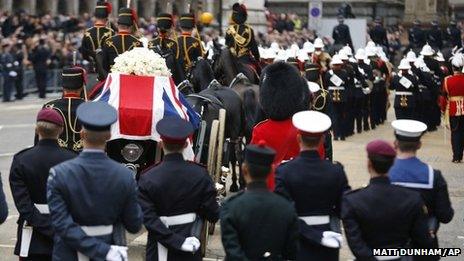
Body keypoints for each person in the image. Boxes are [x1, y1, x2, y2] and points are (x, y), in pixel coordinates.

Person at [47, 101, 143, 260]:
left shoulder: (59, 173)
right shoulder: (124, 175)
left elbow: (61, 224)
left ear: (81, 134)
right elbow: (134, 224)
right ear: (109, 136)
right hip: (109, 250)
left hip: (69, 253)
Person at [137, 117, 219, 261]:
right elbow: (212, 214)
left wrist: (173, 240)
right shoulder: (200, 174)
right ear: (186, 144)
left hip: (158, 249)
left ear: (161, 144)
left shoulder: (148, 177)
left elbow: (148, 219)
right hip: (189, 247)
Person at [275, 110, 350, 261]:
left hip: (295, 239)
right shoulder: (336, 171)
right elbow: (346, 208)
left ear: (298, 138)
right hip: (327, 236)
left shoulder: (284, 171)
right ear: (322, 140)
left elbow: (282, 212)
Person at [342, 139, 433, 260]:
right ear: (392, 165)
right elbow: (422, 240)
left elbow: (356, 244)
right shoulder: (411, 198)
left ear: (369, 164)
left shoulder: (353, 200)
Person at [10, 108, 77, 260]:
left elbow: (24, 205)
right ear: (60, 130)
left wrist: (46, 226)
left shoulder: (22, 160)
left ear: (36, 129)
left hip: (33, 236)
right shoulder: (73, 159)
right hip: (65, 231)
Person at [220, 141, 299, 260]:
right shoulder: (286, 207)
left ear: (244, 169)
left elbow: (233, 251)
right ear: (272, 170)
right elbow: (291, 252)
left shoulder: (231, 206)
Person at [389, 119, 454, 256]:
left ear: (395, 144)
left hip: (391, 245)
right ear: (419, 145)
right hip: (424, 246)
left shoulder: (385, 175)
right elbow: (445, 215)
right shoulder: (433, 176)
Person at [251, 62, 319, 190]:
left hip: (272, 192)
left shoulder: (260, 130)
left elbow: (254, 167)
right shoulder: (306, 128)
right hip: (303, 188)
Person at [37, 67, 86, 153]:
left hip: (55, 157)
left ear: (63, 87)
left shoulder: (49, 107)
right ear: (82, 86)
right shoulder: (91, 107)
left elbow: (39, 139)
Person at [101, 7, 141, 74]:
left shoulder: (108, 42)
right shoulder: (138, 43)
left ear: (118, 25)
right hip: (130, 78)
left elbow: (104, 65)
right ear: (131, 26)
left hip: (114, 77)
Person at [149, 13, 185, 85]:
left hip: (154, 82)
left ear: (158, 28)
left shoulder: (150, 43)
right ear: (170, 28)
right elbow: (179, 65)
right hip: (171, 82)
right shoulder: (175, 45)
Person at [440, 55, 464, 163]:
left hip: (453, 109)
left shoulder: (447, 80)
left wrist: (443, 109)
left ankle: (456, 156)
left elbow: (444, 97)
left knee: (455, 133)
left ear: (453, 68)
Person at [81, 0, 114, 77]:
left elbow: (84, 53)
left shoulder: (87, 32)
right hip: (107, 71)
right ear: (106, 17)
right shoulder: (111, 32)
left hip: (92, 70)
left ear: (95, 17)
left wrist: (93, 58)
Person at [225, 2, 261, 75]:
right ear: (244, 16)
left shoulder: (229, 30)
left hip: (232, 61)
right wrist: (257, 59)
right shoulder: (249, 30)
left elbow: (227, 46)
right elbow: (254, 48)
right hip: (245, 60)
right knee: (258, 73)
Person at [324, 54, 351, 140]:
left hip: (333, 95)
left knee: (335, 116)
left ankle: (337, 135)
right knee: (340, 116)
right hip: (341, 96)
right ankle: (341, 135)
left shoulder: (329, 73)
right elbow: (347, 84)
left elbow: (326, 84)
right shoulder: (344, 73)